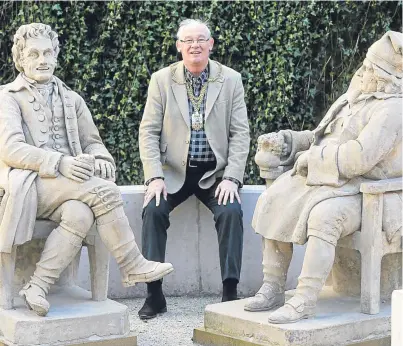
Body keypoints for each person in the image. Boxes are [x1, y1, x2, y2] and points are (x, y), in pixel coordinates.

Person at [0, 23, 173, 317]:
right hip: (28, 184)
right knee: (105, 191)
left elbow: (94, 142)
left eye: (48, 53)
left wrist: (102, 160)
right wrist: (60, 163)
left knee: (79, 214)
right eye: (34, 54)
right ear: (21, 59)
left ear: (56, 56)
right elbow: (10, 149)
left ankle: (37, 286)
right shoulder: (8, 97)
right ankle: (130, 263)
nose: (42, 60)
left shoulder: (72, 99)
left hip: (71, 188)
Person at [245, 31, 402, 324]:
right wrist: (289, 142)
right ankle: (273, 286)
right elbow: (322, 136)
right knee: (272, 197)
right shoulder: (352, 97)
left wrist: (313, 159)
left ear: (390, 76)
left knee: (324, 217)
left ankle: (305, 300)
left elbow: (360, 157)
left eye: (372, 69)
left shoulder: (392, 109)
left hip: (365, 191)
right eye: (365, 65)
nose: (363, 72)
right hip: (326, 180)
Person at [138, 19, 250, 319]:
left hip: (215, 173)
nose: (195, 45)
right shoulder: (161, 80)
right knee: (153, 210)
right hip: (172, 171)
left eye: (201, 39)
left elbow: (240, 133)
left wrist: (232, 178)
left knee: (231, 212)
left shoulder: (231, 79)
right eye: (188, 41)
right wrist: (154, 177)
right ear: (179, 46)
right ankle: (154, 294)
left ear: (211, 44)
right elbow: (148, 131)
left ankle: (229, 294)